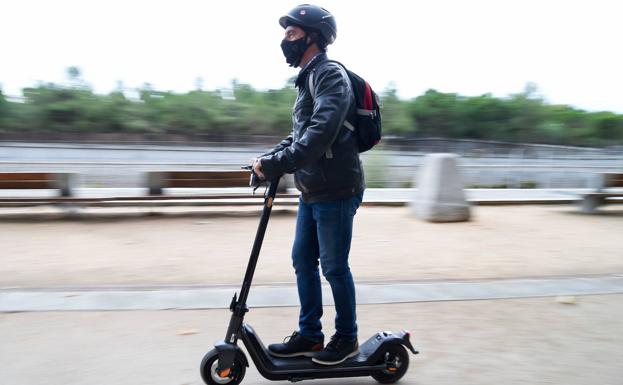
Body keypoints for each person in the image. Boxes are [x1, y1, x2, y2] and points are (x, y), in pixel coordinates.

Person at [251, 4, 365, 366]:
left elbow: (319, 135)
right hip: (312, 188)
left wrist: (277, 165)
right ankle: (310, 335)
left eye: (291, 34)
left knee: (333, 266)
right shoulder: (307, 79)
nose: (285, 41)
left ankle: (346, 338)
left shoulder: (329, 75)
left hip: (337, 188)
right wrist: (268, 159)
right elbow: (299, 134)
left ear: (312, 36)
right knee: (303, 260)